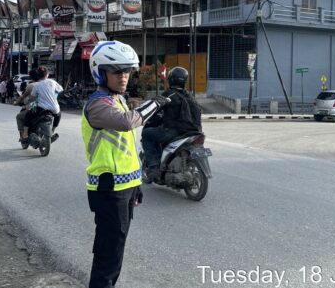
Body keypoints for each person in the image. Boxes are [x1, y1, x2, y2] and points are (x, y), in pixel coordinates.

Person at [81, 40, 169, 288]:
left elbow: (127, 149)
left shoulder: (117, 99)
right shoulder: (98, 104)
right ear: (101, 72)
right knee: (107, 257)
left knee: (116, 251)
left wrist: (136, 184)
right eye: (117, 71)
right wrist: (155, 103)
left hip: (124, 187)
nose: (124, 77)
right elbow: (126, 123)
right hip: (108, 190)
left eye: (127, 70)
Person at [140, 66, 202, 182]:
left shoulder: (168, 95)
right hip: (193, 131)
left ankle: (154, 167)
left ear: (171, 79)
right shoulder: (189, 96)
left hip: (173, 131)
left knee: (147, 134)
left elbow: (153, 108)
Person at [21, 67, 63, 144]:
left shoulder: (36, 85)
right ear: (47, 74)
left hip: (42, 108)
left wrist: (27, 100)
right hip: (55, 108)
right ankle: (52, 131)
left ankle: (25, 134)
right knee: (58, 115)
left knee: (28, 116)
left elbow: (32, 97)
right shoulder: (52, 82)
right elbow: (60, 89)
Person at [14, 69, 41, 145]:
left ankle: (24, 136)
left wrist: (16, 102)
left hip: (35, 106)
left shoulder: (31, 85)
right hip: (49, 106)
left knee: (19, 117)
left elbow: (23, 96)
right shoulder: (48, 83)